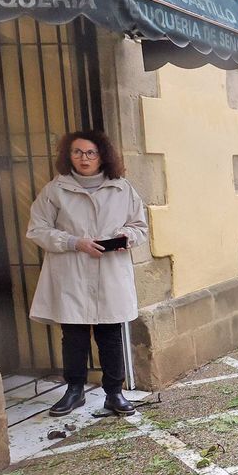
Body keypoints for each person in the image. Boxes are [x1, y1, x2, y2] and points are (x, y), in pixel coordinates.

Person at [26, 130, 148, 416]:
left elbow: (140, 226)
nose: (84, 158)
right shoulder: (55, 191)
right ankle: (74, 390)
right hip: (71, 271)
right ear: (68, 156)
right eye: (77, 152)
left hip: (109, 270)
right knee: (74, 334)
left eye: (90, 152)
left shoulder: (122, 189)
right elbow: (37, 229)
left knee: (110, 333)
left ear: (102, 155)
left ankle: (114, 393)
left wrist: (124, 237)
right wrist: (73, 242)